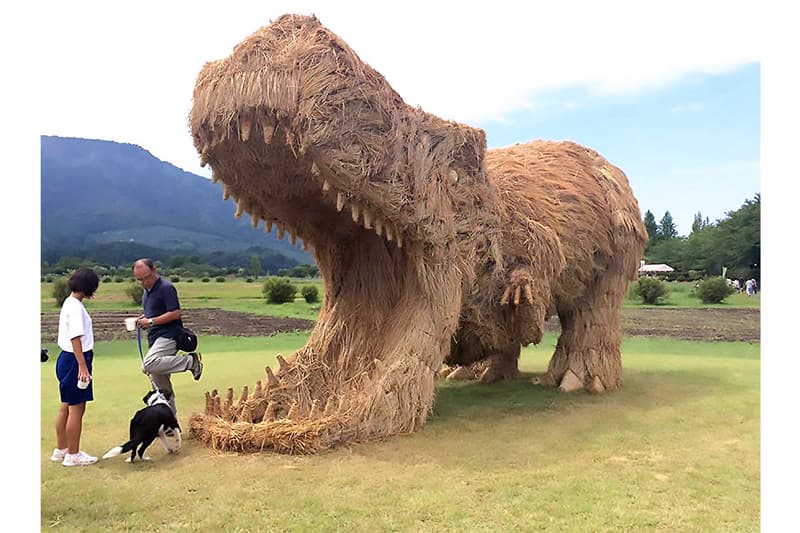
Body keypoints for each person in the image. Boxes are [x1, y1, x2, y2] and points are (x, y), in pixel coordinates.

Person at [133, 258, 202, 414]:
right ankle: (170, 423)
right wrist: (143, 319)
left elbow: (175, 313)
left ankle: (191, 361)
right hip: (154, 337)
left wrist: (150, 321)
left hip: (169, 335)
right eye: (139, 280)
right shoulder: (146, 292)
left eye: (146, 277)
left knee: (148, 364)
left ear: (155, 270)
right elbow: (155, 312)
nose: (144, 282)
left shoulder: (166, 288)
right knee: (161, 386)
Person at [52, 267, 100, 466]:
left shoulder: (68, 302)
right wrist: (82, 366)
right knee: (76, 408)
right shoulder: (76, 308)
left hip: (65, 359)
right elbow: (76, 337)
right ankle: (73, 454)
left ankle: (61, 449)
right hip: (75, 360)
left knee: (66, 405)